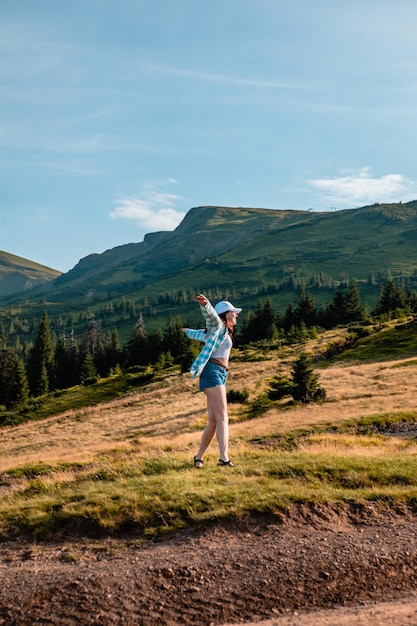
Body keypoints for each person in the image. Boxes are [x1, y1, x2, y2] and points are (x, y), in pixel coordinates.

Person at [183, 294, 242, 468]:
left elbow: (201, 334)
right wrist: (206, 305)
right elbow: (211, 319)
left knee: (214, 421)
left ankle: (198, 457)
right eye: (234, 312)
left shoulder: (219, 333)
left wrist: (187, 332)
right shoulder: (218, 325)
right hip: (213, 372)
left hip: (219, 373)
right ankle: (224, 458)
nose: (236, 315)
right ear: (226, 315)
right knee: (223, 417)